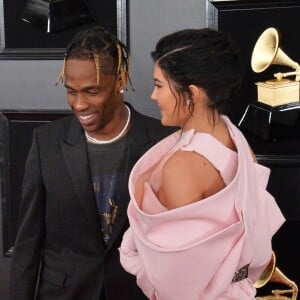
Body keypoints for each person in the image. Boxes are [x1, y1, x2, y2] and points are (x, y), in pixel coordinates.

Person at [8, 26, 176, 300]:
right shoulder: (46, 142)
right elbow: (27, 244)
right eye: (71, 91)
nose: (79, 104)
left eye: (92, 91)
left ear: (120, 80)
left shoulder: (163, 141)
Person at [119, 28, 286, 299]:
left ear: (192, 94)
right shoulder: (236, 140)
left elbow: (177, 281)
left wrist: (137, 258)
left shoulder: (182, 166)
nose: (153, 96)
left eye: (159, 85)